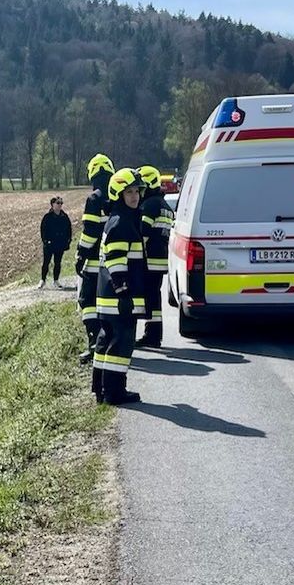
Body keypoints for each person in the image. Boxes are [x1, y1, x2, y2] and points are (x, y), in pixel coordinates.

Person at [93, 168, 148, 405]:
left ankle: (101, 388)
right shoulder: (122, 223)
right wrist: (124, 292)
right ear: (119, 194)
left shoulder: (117, 219)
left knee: (106, 341)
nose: (135, 196)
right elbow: (116, 262)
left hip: (107, 297)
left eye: (137, 191)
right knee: (121, 344)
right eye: (129, 192)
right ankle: (114, 392)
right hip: (118, 299)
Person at [75, 154, 116, 364]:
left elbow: (90, 232)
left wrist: (80, 254)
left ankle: (94, 344)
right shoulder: (118, 195)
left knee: (87, 301)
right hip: (114, 260)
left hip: (94, 260)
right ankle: (110, 342)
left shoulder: (94, 199)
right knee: (108, 304)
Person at [136, 165, 174, 348]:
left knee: (148, 298)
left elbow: (143, 233)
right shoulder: (165, 205)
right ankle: (153, 335)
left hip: (148, 259)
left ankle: (151, 336)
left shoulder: (150, 205)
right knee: (154, 297)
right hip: (160, 260)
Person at [38, 196, 72, 289]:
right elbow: (43, 230)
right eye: (58, 203)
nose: (60, 205)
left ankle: (56, 280)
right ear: (52, 204)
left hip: (60, 243)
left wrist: (68, 241)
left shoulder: (64, 217)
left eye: (61, 203)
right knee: (46, 262)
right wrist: (45, 241)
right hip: (49, 244)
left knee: (58, 262)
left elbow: (69, 229)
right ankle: (42, 280)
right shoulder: (47, 217)